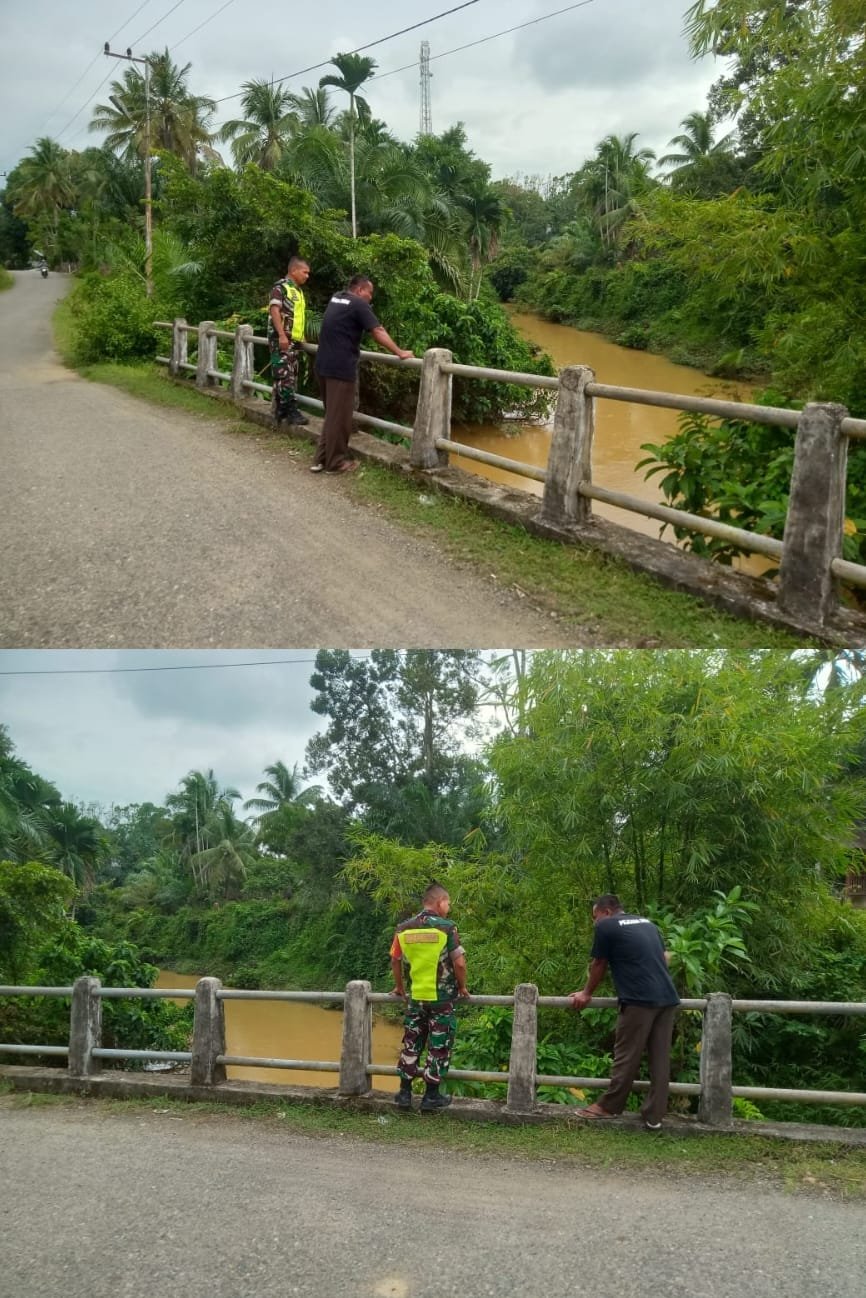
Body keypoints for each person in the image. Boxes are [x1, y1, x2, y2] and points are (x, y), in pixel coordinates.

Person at [569, 894, 680, 1130]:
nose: (594, 922)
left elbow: (599, 964)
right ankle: (654, 1115)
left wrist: (586, 993)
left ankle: (609, 1107)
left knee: (626, 1055)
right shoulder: (647, 923)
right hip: (667, 998)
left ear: (606, 912)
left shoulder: (607, 926)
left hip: (639, 999)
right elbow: (663, 957)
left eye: (594, 916)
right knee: (660, 1058)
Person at [311, 274, 413, 474]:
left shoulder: (336, 297)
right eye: (370, 292)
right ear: (359, 290)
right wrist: (400, 352)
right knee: (340, 418)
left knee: (332, 415)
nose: (370, 298)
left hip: (322, 365)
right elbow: (378, 331)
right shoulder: (358, 304)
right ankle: (336, 463)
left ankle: (321, 459)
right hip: (340, 369)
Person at [389, 880, 469, 1112]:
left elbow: (395, 959)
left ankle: (404, 1094)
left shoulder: (403, 928)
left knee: (411, 1043)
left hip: (416, 998)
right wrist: (463, 987)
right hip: (442, 999)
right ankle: (431, 1097)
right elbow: (460, 963)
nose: (449, 907)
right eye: (448, 903)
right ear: (439, 902)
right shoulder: (447, 927)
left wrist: (399, 988)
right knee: (438, 1045)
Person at [267, 255, 311, 426]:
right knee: (285, 376)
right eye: (305, 272)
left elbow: (297, 316)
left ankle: (281, 409)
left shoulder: (298, 291)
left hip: (294, 341)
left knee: (289, 374)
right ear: (293, 270)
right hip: (282, 339)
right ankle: (291, 411)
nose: (307, 276)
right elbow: (274, 310)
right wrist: (281, 335)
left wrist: (301, 336)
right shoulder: (281, 288)